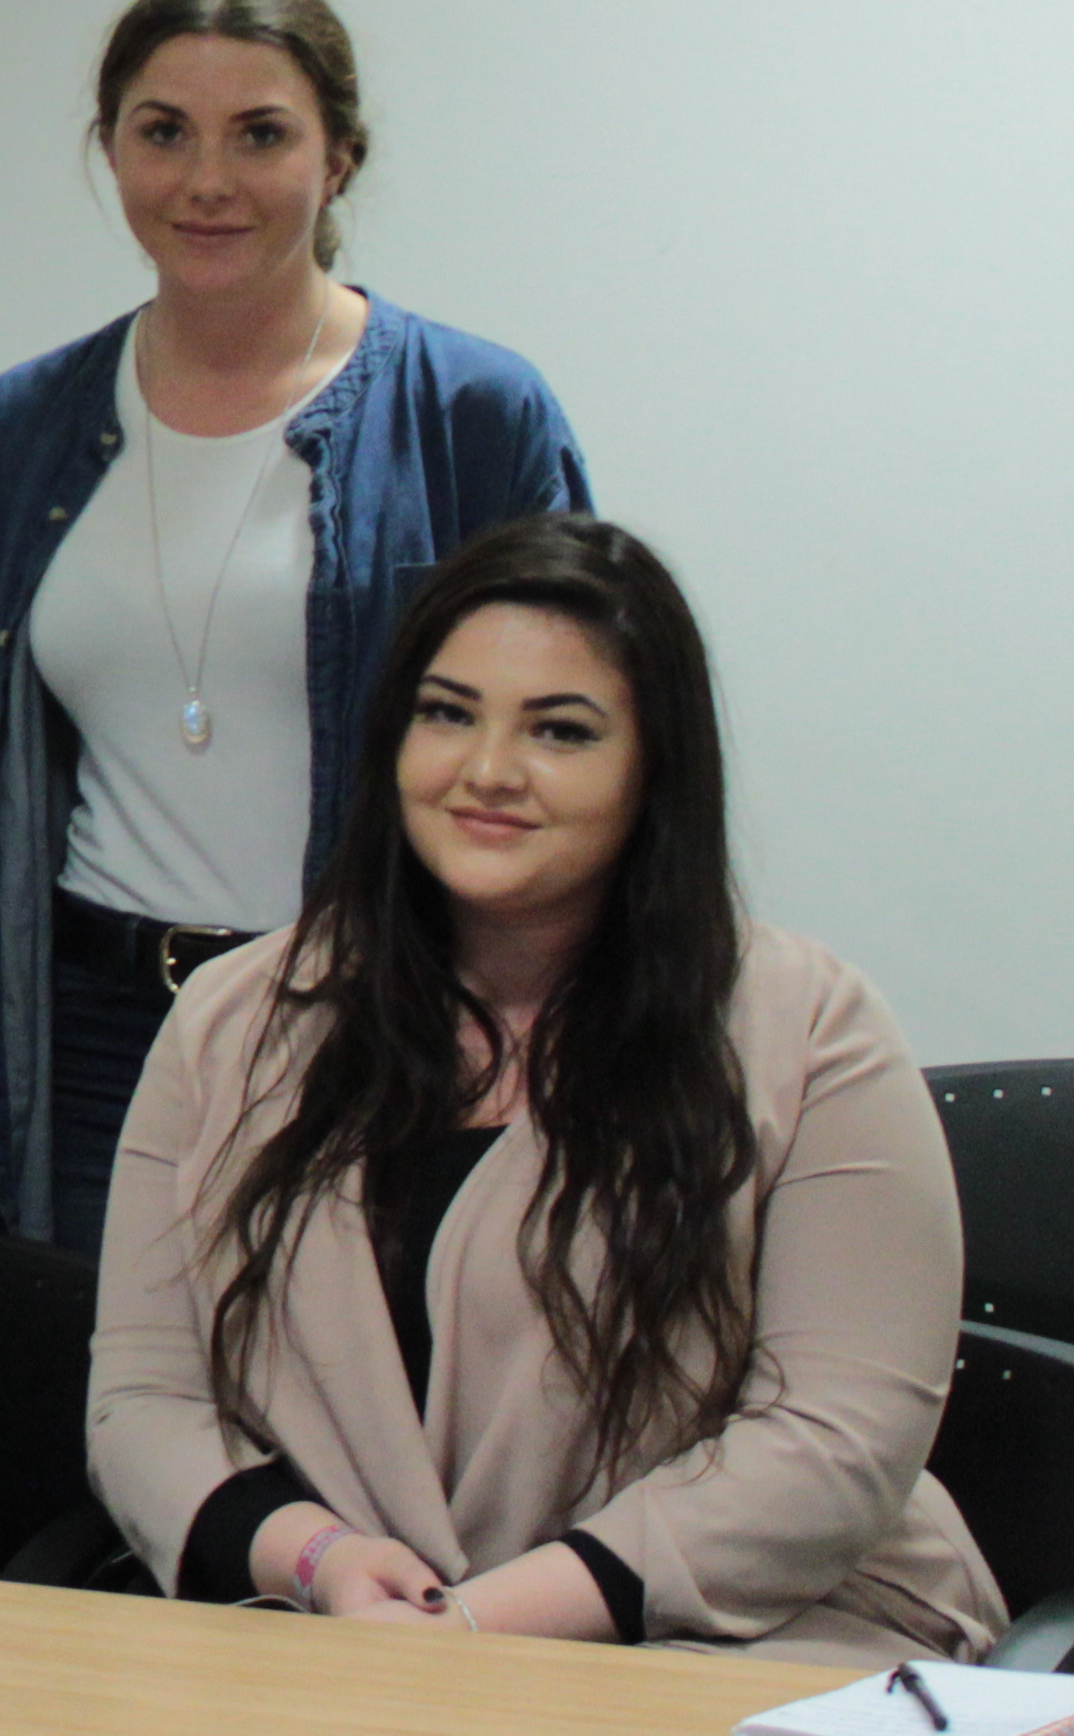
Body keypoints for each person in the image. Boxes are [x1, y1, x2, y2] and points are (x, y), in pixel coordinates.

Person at [90, 517, 998, 1658]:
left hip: (741, 1642)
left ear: (653, 769)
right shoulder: (231, 1021)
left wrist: (484, 1624)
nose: (487, 771)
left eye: (560, 731)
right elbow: (145, 1401)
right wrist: (317, 1562)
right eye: (446, 713)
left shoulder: (810, 1031)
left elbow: (836, 1440)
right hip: (337, 1644)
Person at [0, 0, 587, 1250]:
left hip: (390, 1044)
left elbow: (578, 776)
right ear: (111, 151)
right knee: (96, 1430)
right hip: (94, 1054)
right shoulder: (9, 438)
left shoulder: (476, 418)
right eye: (164, 133)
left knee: (364, 1437)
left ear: (341, 159)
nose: (208, 181)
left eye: (261, 134)